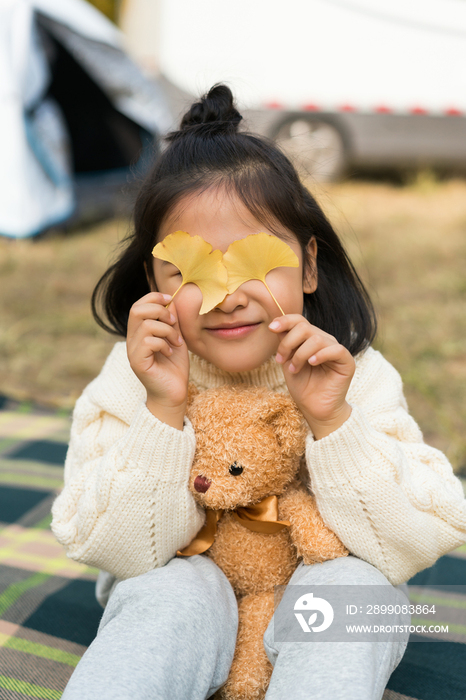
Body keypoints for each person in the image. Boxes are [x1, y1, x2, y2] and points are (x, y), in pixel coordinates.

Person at [51, 84, 466, 700]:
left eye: (256, 262)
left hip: (324, 598)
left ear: (307, 265)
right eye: (192, 270)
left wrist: (334, 422)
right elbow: (112, 547)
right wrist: (163, 410)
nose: (228, 295)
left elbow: (415, 540)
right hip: (185, 597)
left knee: (355, 591)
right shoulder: (131, 379)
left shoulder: (356, 374)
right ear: (153, 280)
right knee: (166, 591)